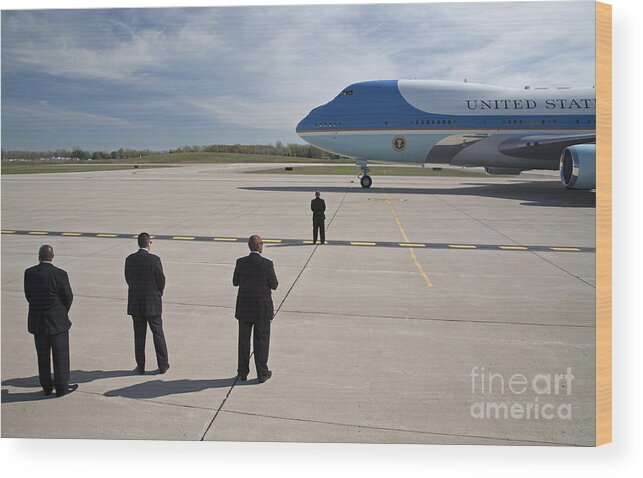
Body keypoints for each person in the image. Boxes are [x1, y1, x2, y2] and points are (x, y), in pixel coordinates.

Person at [24, 245, 78, 397]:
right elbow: (68, 297)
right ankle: (62, 388)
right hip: (57, 321)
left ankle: (47, 387)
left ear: (39, 256)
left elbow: (28, 295)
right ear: (52, 256)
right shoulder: (60, 274)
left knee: (42, 355)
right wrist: (61, 312)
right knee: (60, 356)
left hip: (38, 321)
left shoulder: (29, 273)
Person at [232, 235, 278, 383]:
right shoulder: (267, 264)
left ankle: (243, 372)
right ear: (259, 246)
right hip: (262, 309)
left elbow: (235, 282)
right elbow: (274, 284)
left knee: (244, 342)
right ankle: (262, 372)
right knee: (262, 341)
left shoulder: (241, 262)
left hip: (244, 309)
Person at [125, 232, 169, 375]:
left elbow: (128, 279)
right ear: (149, 243)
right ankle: (163, 365)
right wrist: (158, 294)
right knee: (158, 334)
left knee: (139, 336)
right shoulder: (154, 260)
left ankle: (141, 366)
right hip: (152, 303)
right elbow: (161, 280)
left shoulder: (130, 259)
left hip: (136, 303)